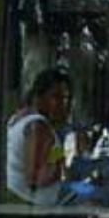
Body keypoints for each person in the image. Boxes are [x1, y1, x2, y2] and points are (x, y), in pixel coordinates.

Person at [7, 69, 71, 206]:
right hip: (30, 207)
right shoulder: (38, 126)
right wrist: (59, 161)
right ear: (39, 97)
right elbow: (36, 178)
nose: (62, 104)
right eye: (56, 97)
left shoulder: (22, 118)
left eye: (65, 98)